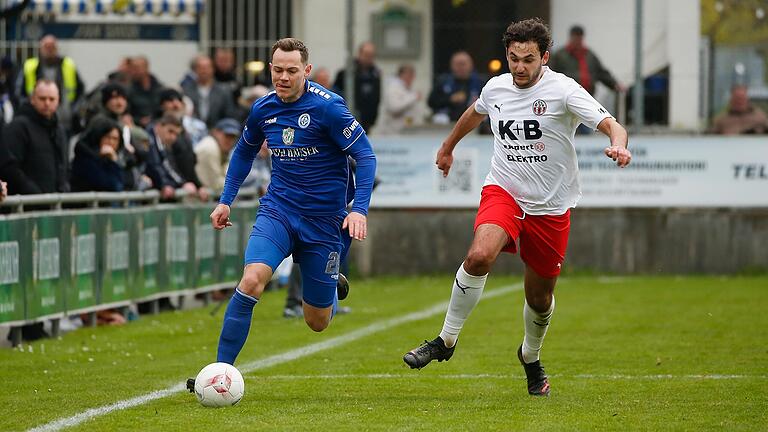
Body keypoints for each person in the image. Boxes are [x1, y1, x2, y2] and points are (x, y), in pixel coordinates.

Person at [402, 18, 631, 397]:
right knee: (478, 256)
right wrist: (447, 147)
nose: (520, 67)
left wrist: (619, 144)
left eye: (528, 59)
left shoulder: (564, 91)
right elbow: (476, 112)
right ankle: (445, 340)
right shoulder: (497, 87)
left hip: (551, 208)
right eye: (513, 59)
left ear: (544, 57)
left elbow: (610, 123)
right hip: (504, 191)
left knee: (539, 300)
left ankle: (530, 355)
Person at [188, 37, 376, 378]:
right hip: (279, 211)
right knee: (251, 280)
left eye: (291, 70)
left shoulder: (329, 108)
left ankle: (331, 287)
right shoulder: (263, 109)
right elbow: (244, 152)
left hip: (324, 221)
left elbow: (365, 155)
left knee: (317, 322)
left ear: (306, 70)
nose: (283, 77)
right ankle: (220, 372)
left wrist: (359, 208)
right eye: (278, 70)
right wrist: (225, 201)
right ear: (270, 68)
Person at [0, 79, 69, 195]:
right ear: (32, 99)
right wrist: (32, 191)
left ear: (58, 101)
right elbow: (9, 167)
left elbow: (64, 166)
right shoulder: (18, 127)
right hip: (27, 203)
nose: (47, 103)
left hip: (55, 204)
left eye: (52, 99)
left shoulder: (59, 131)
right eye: (42, 98)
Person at [15, 35, 85, 133]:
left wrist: (74, 109)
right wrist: (28, 109)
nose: (49, 50)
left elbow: (81, 90)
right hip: (35, 119)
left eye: (52, 47)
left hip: (64, 119)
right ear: (40, 49)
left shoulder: (68, 64)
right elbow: (19, 93)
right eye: (46, 47)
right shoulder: (30, 66)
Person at [145, 114, 208, 201]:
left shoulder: (164, 145)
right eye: (170, 131)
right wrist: (167, 184)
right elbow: (156, 165)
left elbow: (170, 167)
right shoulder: (149, 140)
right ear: (158, 126)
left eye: (176, 134)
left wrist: (196, 185)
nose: (173, 137)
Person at [548, 25, 623, 97]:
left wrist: (614, 84)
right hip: (567, 95)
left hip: (588, 96)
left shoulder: (589, 55)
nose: (577, 41)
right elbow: (551, 74)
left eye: (579, 38)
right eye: (575, 38)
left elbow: (601, 73)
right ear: (571, 37)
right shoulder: (560, 55)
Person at [333, 41, 382, 133]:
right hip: (345, 120)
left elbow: (376, 98)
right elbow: (335, 95)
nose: (369, 58)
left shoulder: (375, 75)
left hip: (366, 121)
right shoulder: (345, 74)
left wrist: (372, 119)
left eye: (371, 55)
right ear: (360, 54)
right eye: (366, 55)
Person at [181, 54, 239, 129]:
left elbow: (230, 115)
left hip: (217, 132)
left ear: (213, 69)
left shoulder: (223, 91)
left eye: (207, 67)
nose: (204, 71)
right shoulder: (186, 90)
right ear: (194, 70)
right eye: (200, 67)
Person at [428, 51, 486, 123]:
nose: (460, 68)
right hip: (447, 122)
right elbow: (431, 102)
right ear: (451, 65)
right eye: (457, 64)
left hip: (473, 121)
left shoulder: (480, 82)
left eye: (463, 64)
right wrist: (450, 99)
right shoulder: (443, 81)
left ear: (471, 65)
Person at [194, 118, 241, 192]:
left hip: (206, 197)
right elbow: (215, 184)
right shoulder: (209, 148)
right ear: (216, 132)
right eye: (227, 135)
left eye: (232, 137)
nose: (229, 140)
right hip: (193, 199)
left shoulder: (221, 148)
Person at [380, 64, 423, 134]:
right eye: (410, 75)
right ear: (403, 74)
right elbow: (394, 107)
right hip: (393, 133)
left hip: (405, 131)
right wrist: (414, 97)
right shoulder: (393, 87)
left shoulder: (407, 88)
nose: (412, 79)